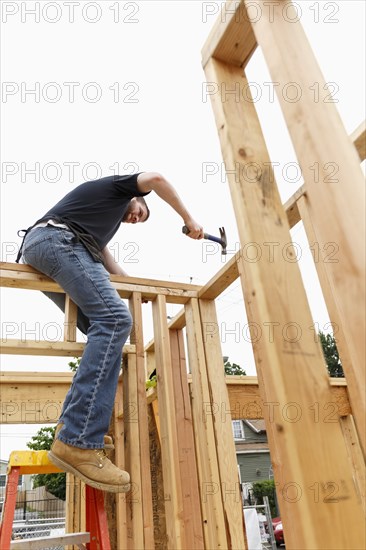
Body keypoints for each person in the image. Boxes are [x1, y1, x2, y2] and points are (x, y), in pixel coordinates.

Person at [19, 171, 203, 493]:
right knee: (117, 321)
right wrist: (190, 220)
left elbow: (109, 264)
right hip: (57, 241)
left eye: (138, 222)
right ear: (136, 198)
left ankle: (74, 425)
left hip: (48, 245)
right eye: (140, 213)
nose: (135, 219)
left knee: (102, 329)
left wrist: (136, 288)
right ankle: (79, 439)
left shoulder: (96, 223)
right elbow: (158, 178)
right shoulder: (120, 188)